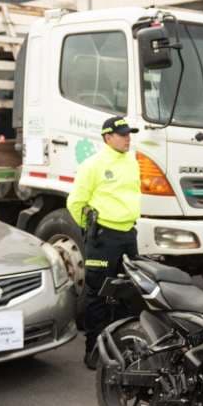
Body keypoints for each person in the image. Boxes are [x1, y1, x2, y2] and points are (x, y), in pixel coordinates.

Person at [67, 116, 141, 369]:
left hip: (128, 235)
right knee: (97, 293)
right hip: (104, 237)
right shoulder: (93, 165)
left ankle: (121, 345)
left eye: (129, 133)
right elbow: (75, 202)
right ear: (107, 137)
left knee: (128, 292)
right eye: (122, 134)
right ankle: (94, 349)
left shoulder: (132, 161)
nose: (128, 138)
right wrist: (91, 229)